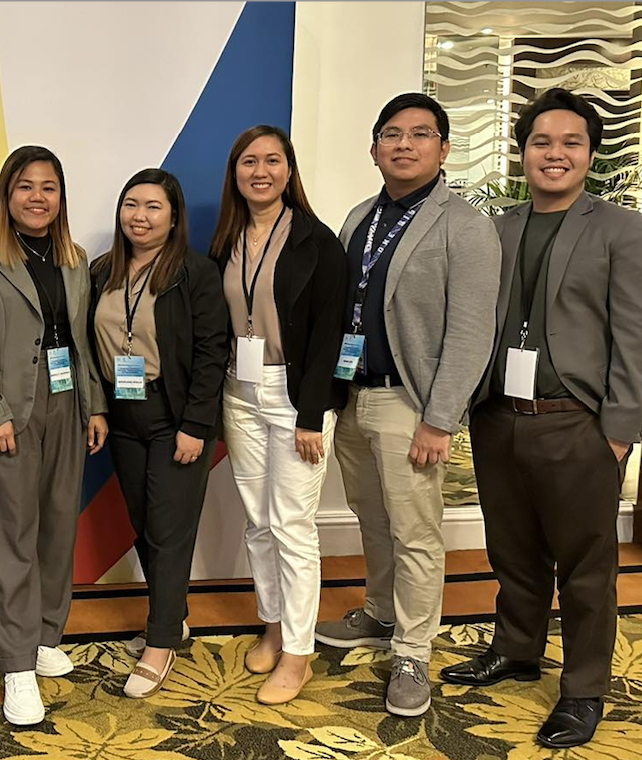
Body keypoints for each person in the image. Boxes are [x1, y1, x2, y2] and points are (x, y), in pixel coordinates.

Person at [440, 88, 642, 749]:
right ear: (523, 151)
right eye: (542, 141)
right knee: (511, 552)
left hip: (579, 423)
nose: (556, 153)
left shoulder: (622, 228)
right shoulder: (498, 227)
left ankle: (584, 688)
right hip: (499, 417)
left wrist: (621, 428)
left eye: (571, 142)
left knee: (585, 566)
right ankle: (515, 649)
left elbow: (639, 335)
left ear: (591, 154)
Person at [311, 93, 501, 718]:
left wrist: (440, 416)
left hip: (409, 402)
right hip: (355, 393)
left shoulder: (464, 224)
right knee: (372, 518)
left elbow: (472, 331)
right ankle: (381, 612)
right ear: (373, 149)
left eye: (420, 134)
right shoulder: (358, 217)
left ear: (444, 150)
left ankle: (415, 651)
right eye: (391, 134)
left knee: (416, 532)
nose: (404, 144)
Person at [0, 146, 109, 726]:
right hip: (10, 408)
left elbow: (81, 340)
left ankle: (46, 636)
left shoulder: (75, 259)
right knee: (10, 531)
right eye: (25, 186)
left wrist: (93, 407)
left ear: (60, 197)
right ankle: (16, 663)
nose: (37, 197)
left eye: (49, 187)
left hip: (69, 400)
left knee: (57, 522)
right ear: (7, 194)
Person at [210, 127, 348, 705]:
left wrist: (312, 413)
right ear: (235, 172)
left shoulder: (317, 241)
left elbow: (329, 337)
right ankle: (273, 624)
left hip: (297, 400)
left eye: (272, 160)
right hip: (238, 393)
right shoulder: (226, 239)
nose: (260, 171)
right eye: (248, 161)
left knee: (293, 525)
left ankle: (299, 653)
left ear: (289, 170)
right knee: (258, 521)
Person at [89, 168, 229, 700]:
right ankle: (174, 617)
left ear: (173, 218)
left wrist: (197, 425)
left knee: (170, 532)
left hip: (175, 418)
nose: (139, 216)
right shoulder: (104, 270)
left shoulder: (195, 272)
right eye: (131, 204)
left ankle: (161, 640)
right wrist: (97, 409)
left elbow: (213, 351)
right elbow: (90, 348)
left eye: (153, 206)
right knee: (146, 525)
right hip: (123, 419)